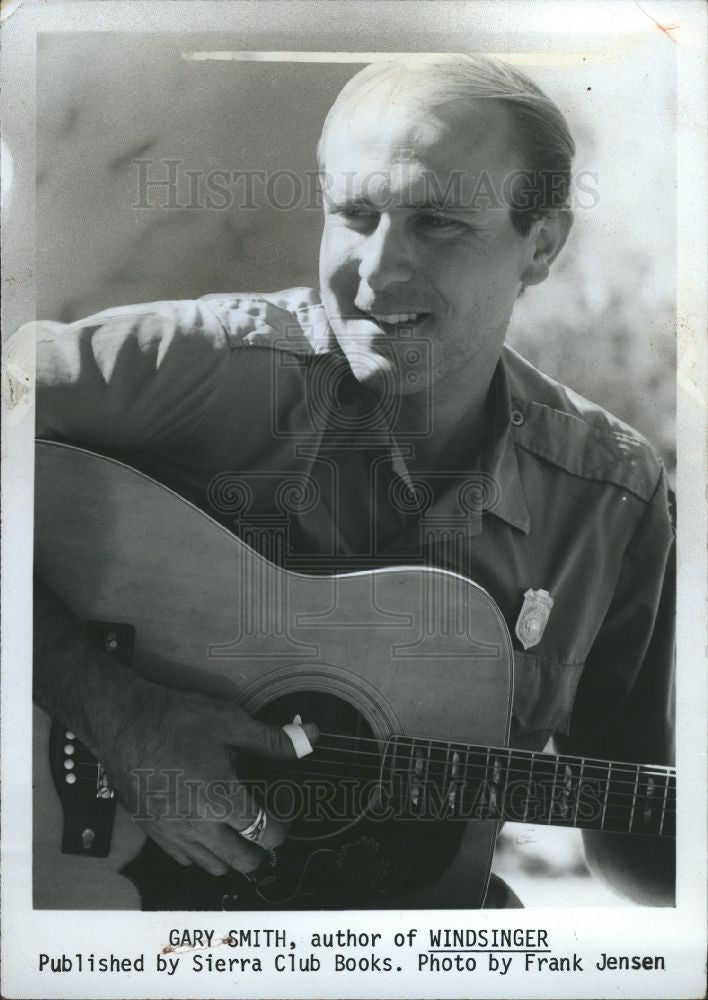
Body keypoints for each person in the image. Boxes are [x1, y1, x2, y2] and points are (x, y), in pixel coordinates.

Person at [31, 54, 675, 906]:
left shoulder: (613, 498)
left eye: (438, 224)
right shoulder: (209, 370)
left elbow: (638, 842)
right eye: (355, 215)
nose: (377, 273)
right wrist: (111, 708)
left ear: (542, 245)